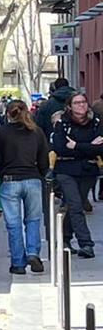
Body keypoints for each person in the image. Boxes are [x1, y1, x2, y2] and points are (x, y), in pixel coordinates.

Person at [0, 97, 50, 274]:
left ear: (8, 114)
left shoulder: (1, 132)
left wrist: (1, 174)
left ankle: (18, 263)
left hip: (10, 179)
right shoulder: (37, 132)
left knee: (14, 224)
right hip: (32, 178)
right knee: (33, 220)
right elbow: (44, 159)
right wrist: (39, 175)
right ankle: (33, 252)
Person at [50, 91, 103, 259]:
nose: (81, 105)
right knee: (75, 204)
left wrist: (77, 145)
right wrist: (88, 146)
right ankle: (86, 243)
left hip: (88, 169)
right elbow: (61, 148)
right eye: (77, 103)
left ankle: (64, 238)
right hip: (66, 169)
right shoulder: (62, 124)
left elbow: (100, 148)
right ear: (69, 107)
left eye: (83, 102)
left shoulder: (96, 123)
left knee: (75, 204)